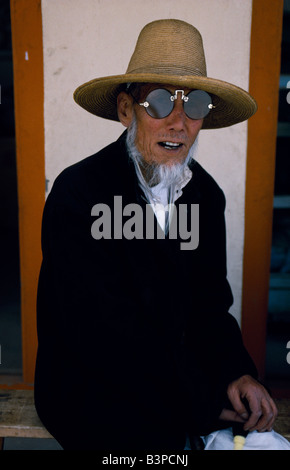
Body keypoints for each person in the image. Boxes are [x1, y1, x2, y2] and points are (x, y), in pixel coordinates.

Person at [34, 19, 277, 451]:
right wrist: (202, 399)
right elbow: (102, 334)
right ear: (127, 110)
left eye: (195, 104)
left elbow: (209, 306)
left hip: (175, 381)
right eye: (161, 103)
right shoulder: (80, 196)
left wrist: (236, 372)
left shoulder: (204, 196)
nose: (179, 123)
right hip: (93, 391)